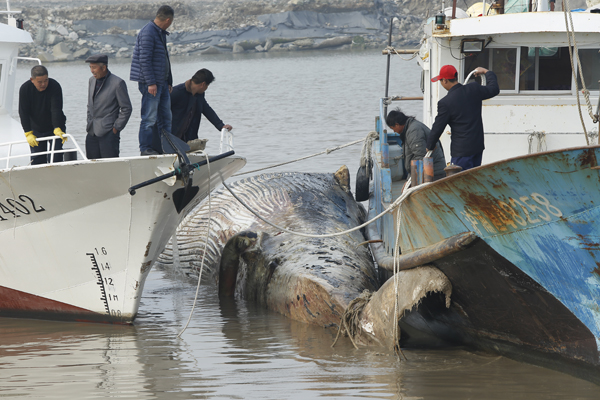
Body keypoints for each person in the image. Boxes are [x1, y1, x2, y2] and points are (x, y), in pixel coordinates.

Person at [426, 65, 499, 171]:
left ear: (445, 81)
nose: (441, 83)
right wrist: (487, 72)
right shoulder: (474, 88)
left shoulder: (445, 103)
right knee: (473, 179)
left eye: (440, 80)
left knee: (461, 181)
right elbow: (494, 89)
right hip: (477, 147)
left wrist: (430, 145)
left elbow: (438, 127)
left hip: (461, 151)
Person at [130, 5, 174, 156]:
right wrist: (151, 83)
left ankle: (167, 148)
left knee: (166, 117)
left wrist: (169, 81)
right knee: (149, 118)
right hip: (151, 84)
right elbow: (144, 59)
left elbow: (164, 59)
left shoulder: (159, 32)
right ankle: (145, 149)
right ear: (168, 20)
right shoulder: (148, 32)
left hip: (161, 82)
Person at [85, 54, 132, 159]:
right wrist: (89, 122)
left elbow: (126, 108)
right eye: (90, 67)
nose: (92, 71)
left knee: (110, 167)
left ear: (104, 67)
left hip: (109, 133)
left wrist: (116, 128)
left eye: (94, 67)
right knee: (92, 166)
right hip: (92, 131)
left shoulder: (118, 83)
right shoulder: (91, 81)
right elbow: (90, 105)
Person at [18, 65, 67, 165]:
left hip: (55, 126)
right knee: (38, 159)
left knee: (56, 156)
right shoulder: (25, 89)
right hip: (36, 128)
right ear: (32, 80)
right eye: (39, 82)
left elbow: (56, 109)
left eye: (46, 80)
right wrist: (28, 132)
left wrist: (57, 127)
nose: (43, 84)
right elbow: (23, 112)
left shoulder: (54, 85)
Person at [170, 68, 232, 143]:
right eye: (207, 85)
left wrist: (221, 126)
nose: (206, 88)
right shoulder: (177, 92)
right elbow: (160, 110)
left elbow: (207, 110)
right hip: (172, 136)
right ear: (203, 84)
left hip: (189, 138)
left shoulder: (199, 95)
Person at [386, 108, 446, 181]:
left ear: (397, 124)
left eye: (393, 128)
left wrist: (411, 180)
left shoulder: (414, 130)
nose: (394, 131)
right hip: (428, 171)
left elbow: (420, 156)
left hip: (433, 173)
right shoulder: (411, 127)